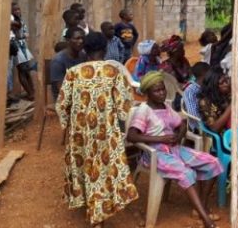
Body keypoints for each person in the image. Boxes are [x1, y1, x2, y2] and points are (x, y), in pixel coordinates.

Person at [55, 31, 138, 227]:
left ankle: (91, 207)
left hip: (80, 133)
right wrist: (120, 121)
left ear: (85, 48)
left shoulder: (73, 73)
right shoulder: (113, 71)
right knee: (103, 168)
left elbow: (61, 104)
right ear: (105, 48)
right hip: (106, 132)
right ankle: (99, 210)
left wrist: (67, 123)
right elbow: (125, 104)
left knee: (85, 165)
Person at [127, 71, 223, 228]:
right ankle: (207, 221)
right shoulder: (144, 110)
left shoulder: (166, 107)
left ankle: (201, 208)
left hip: (174, 149)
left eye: (162, 89)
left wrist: (179, 136)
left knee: (213, 162)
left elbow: (182, 124)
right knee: (185, 173)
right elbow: (131, 136)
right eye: (156, 91)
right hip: (154, 155)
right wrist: (160, 139)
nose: (161, 93)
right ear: (147, 94)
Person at [198, 68, 238, 133]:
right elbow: (214, 128)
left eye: (227, 80)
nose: (227, 84)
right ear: (213, 86)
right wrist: (234, 103)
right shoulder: (205, 102)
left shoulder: (229, 93)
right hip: (225, 136)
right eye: (222, 82)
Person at [50, 26, 88, 99]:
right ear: (68, 40)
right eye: (77, 38)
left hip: (81, 96)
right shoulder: (58, 61)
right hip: (64, 100)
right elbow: (62, 90)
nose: (81, 41)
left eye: (83, 38)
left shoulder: (83, 56)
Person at [10, 3, 36, 100]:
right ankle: (30, 92)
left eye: (18, 9)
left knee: (27, 70)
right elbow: (19, 33)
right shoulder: (12, 21)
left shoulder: (20, 20)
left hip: (23, 46)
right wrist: (23, 35)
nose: (17, 11)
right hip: (17, 47)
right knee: (22, 70)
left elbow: (25, 33)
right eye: (15, 10)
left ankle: (32, 91)